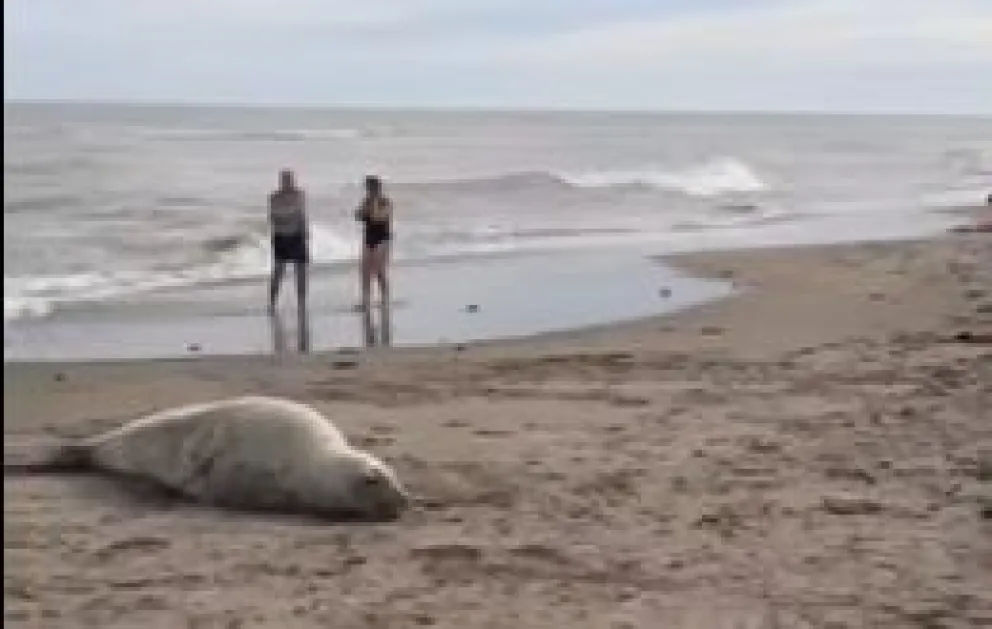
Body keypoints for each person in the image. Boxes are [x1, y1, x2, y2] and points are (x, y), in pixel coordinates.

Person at [268, 169, 309, 317]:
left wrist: (304, 232)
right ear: (281, 181)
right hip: (280, 237)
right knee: (278, 271)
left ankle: (302, 303)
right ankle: (271, 303)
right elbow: (274, 216)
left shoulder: (299, 194)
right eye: (285, 180)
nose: (288, 183)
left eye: (290, 179)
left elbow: (299, 213)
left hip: (297, 236)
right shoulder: (274, 197)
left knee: (301, 272)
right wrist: (288, 213)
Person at [354, 175, 393, 315]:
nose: (369, 191)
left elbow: (379, 217)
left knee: (379, 269)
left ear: (378, 188)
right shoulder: (366, 201)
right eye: (368, 188)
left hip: (382, 238)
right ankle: (366, 300)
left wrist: (374, 204)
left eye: (372, 188)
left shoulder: (385, 202)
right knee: (364, 270)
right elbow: (358, 216)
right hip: (368, 238)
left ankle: (385, 298)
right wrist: (365, 209)